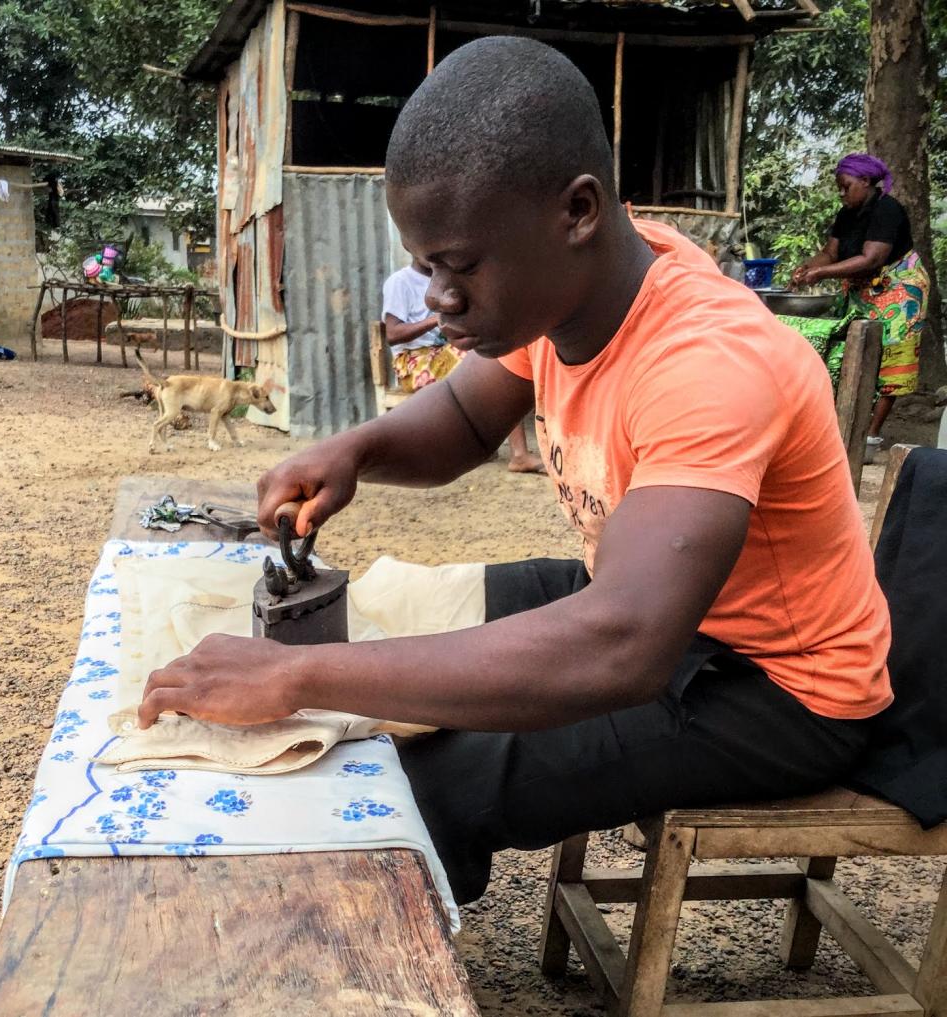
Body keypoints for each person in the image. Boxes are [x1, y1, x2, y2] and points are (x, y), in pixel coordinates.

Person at [137, 39, 891, 906]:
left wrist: (297, 676)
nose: (436, 300)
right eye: (426, 269)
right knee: (395, 623)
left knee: (425, 775)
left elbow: (623, 645)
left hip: (778, 688)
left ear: (577, 211)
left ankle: (376, 952)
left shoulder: (707, 362)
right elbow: (462, 420)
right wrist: (355, 450)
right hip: (661, 607)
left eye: (459, 268)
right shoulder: (570, 288)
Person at [791, 154, 930, 454]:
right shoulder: (847, 214)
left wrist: (821, 273)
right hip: (862, 289)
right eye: (839, 188)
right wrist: (807, 267)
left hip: (899, 288)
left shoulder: (887, 210)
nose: (841, 193)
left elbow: (873, 258)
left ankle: (869, 436)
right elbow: (830, 253)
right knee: (849, 350)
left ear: (865, 182)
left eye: (846, 186)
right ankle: (842, 425)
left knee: (890, 361)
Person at [383, 258, 545, 473]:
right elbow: (392, 334)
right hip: (413, 362)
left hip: (444, 354)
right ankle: (519, 455)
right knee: (488, 361)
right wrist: (436, 320)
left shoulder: (446, 280)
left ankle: (511, 452)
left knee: (499, 355)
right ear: (411, 248)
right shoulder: (400, 282)